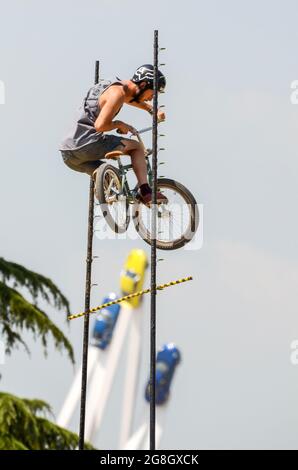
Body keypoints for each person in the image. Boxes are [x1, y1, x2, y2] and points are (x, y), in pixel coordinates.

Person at [59, 64, 168, 206]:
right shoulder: (117, 94)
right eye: (153, 93)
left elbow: (129, 98)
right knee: (136, 148)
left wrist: (152, 110)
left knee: (112, 179)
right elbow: (100, 126)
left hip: (68, 154)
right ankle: (145, 190)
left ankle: (106, 194)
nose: (151, 98)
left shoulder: (114, 87)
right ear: (142, 84)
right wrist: (120, 124)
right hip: (86, 144)